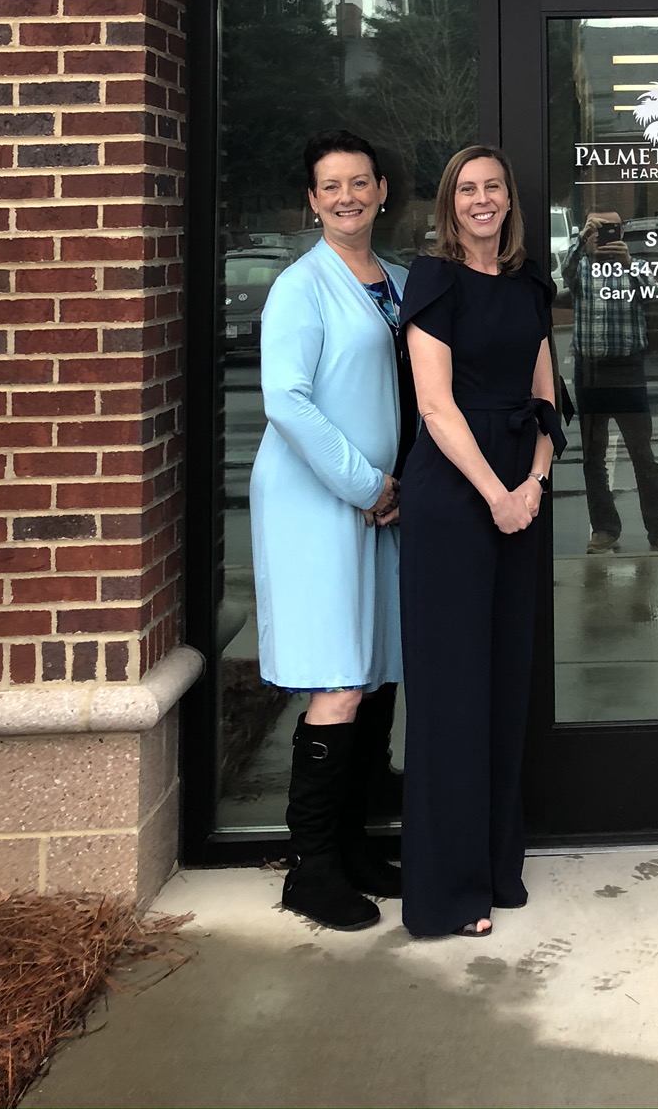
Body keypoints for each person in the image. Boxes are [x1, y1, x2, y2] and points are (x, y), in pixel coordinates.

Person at [398, 145, 564, 938]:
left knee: (505, 685)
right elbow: (434, 404)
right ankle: (450, 890)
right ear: (449, 203)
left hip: (520, 497)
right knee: (452, 693)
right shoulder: (432, 280)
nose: (482, 199)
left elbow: (546, 398)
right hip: (455, 495)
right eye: (467, 189)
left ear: (510, 198)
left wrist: (533, 482)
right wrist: (496, 493)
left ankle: (500, 866)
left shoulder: (533, 282)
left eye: (494, 185)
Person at [252, 128, 408, 932]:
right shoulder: (299, 289)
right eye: (330, 186)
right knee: (337, 675)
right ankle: (310, 869)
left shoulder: (402, 281)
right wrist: (365, 484)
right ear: (312, 202)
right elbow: (288, 401)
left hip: (384, 506)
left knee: (376, 666)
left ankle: (354, 848)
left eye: (359, 181)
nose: (347, 196)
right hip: (318, 501)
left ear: (382, 190)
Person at [564, 210, 658, 555]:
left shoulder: (636, 266)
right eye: (596, 229)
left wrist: (629, 263)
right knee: (593, 457)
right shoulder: (581, 268)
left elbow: (655, 295)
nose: (603, 234)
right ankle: (604, 529)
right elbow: (565, 272)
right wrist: (579, 242)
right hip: (590, 372)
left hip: (628, 370)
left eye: (609, 228)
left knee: (642, 454)